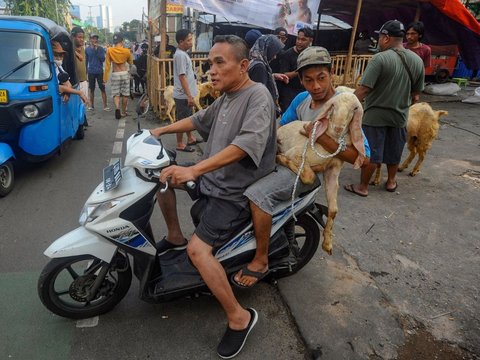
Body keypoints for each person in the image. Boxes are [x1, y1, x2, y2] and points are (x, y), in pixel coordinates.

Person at [149, 34, 277, 359]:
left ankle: (239, 317)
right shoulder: (226, 97)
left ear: (243, 65)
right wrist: (159, 131)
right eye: (210, 65)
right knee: (161, 177)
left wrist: (194, 171)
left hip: (232, 192)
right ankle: (175, 235)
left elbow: (245, 145)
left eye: (220, 63)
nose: (212, 71)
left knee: (198, 251)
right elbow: (197, 120)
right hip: (213, 178)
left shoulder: (257, 97)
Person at [233, 46, 371, 288]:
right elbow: (280, 129)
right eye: (308, 80)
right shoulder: (300, 100)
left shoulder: (346, 105)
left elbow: (363, 158)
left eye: (321, 78)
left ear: (331, 75)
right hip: (291, 158)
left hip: (314, 172)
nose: (315, 86)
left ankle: (261, 259)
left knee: (258, 195)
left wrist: (323, 139)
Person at [344, 20, 424, 197]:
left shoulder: (379, 59)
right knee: (394, 151)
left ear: (386, 38)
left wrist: (345, 105)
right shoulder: (417, 60)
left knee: (372, 152)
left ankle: (363, 187)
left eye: (379, 37)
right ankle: (391, 182)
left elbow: (364, 89)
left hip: (375, 116)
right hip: (400, 116)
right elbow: (416, 94)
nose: (378, 41)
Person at [172, 29, 201, 152]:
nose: (191, 42)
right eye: (188, 40)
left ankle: (190, 138)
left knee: (188, 118)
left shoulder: (183, 54)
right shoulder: (180, 55)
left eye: (191, 39)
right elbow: (182, 76)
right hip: (183, 95)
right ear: (181, 41)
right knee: (182, 120)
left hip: (186, 94)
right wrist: (189, 96)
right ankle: (179, 143)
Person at [248, 34, 288, 112]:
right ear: (267, 50)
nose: (275, 57)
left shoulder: (255, 62)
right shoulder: (259, 67)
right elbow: (259, 94)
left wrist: (272, 76)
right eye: (273, 53)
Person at [277, 27, 313, 113]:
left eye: (303, 39)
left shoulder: (311, 54)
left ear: (310, 40)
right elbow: (283, 75)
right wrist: (299, 70)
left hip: (306, 92)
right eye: (298, 38)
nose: (299, 42)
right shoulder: (288, 54)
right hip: (289, 94)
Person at [103, 33, 133, 120]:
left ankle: (117, 108)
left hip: (115, 74)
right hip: (124, 73)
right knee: (125, 94)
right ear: (122, 41)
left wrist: (105, 78)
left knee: (116, 94)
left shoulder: (109, 50)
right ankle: (123, 112)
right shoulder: (126, 51)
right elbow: (131, 63)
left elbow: (107, 66)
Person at [85, 34, 110, 111]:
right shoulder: (87, 49)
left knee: (102, 88)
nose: (94, 40)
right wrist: (85, 73)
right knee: (91, 89)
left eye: (96, 39)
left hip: (99, 71)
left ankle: (105, 106)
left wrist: (96, 50)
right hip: (91, 71)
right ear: (90, 40)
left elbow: (102, 59)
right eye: (93, 38)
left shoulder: (101, 49)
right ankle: (91, 105)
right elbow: (86, 62)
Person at [71, 27, 89, 112]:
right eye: (79, 37)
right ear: (73, 37)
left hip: (84, 81)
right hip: (74, 84)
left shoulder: (82, 48)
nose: (82, 40)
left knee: (83, 105)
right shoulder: (69, 49)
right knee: (75, 108)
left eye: (83, 37)